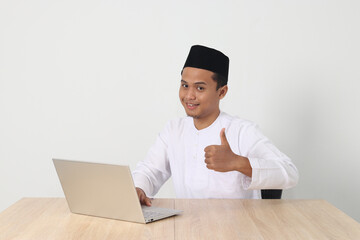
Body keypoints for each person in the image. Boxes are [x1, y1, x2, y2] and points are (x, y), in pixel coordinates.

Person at [133, 45, 299, 206]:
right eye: (185, 85)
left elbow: (290, 173)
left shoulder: (242, 131)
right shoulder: (174, 129)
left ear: (222, 92)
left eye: (199, 88)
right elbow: (150, 170)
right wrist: (139, 189)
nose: (189, 95)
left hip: (237, 229)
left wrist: (238, 162)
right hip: (188, 226)